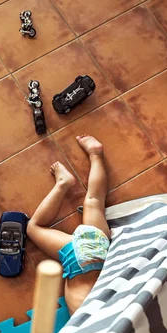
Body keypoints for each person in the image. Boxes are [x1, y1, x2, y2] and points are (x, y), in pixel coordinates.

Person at [27, 135, 111, 316]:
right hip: (77, 261)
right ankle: (63, 184)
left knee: (94, 201)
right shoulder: (91, 331)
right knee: (33, 227)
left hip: (103, 254)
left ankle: (96, 154)